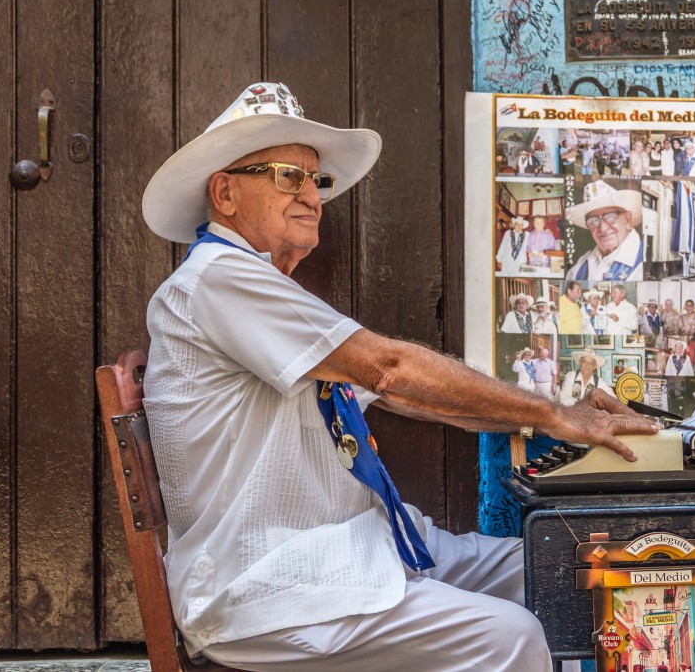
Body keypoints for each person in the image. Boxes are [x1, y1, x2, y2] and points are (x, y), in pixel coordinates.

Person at [140, 82, 659, 672]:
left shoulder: (257, 287)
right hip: (271, 582)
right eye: (289, 175)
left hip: (347, 549)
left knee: (562, 570)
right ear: (225, 193)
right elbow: (389, 369)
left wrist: (559, 417)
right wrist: (553, 415)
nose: (312, 195)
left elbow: (415, 399)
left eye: (318, 180)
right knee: (508, 637)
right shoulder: (221, 278)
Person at [565, 180, 644, 282]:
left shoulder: (641, 263)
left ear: (627, 220)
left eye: (610, 217)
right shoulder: (583, 262)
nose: (602, 228)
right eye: (593, 221)